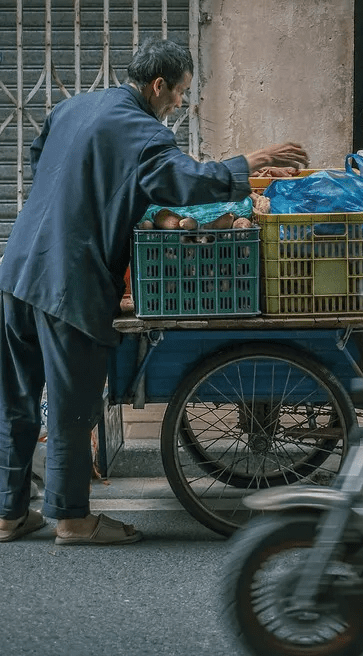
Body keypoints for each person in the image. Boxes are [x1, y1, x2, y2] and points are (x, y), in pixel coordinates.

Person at [0, 37, 308, 547]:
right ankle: (73, 520)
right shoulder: (143, 134)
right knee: (75, 407)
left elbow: (42, 161)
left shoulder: (74, 106)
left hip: (16, 268)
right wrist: (247, 161)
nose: (181, 105)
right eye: (181, 94)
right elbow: (188, 181)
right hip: (69, 281)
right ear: (158, 85)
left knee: (15, 401)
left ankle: (9, 515)